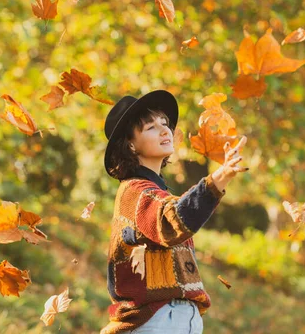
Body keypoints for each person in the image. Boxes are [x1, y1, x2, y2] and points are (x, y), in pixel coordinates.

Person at [101, 90, 247, 334]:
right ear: (130, 144)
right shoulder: (135, 191)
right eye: (150, 127)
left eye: (165, 124)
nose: (164, 130)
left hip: (177, 319)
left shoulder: (157, 192)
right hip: (156, 320)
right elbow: (172, 220)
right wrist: (218, 178)